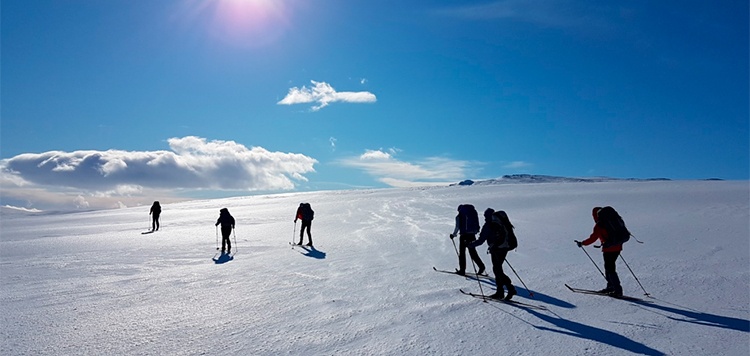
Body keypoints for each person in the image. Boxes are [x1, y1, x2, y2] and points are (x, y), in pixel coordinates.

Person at [576, 207, 623, 296]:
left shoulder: (600, 225)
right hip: (618, 247)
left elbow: (593, 238)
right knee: (609, 267)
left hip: (609, 249)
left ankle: (617, 289)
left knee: (610, 268)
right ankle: (611, 287)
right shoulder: (613, 221)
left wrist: (582, 243)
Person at [471, 209, 517, 300]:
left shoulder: (488, 225)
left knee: (497, 270)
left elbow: (481, 241)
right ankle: (501, 292)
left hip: (496, 249)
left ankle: (509, 289)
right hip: (505, 248)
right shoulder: (500, 222)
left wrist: (471, 245)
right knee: (497, 269)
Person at [450, 204, 485, 276]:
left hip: (464, 236)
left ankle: (462, 270)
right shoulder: (472, 213)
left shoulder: (459, 216)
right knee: (473, 252)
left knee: (462, 253)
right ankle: (481, 266)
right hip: (472, 235)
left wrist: (453, 235)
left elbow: (457, 227)